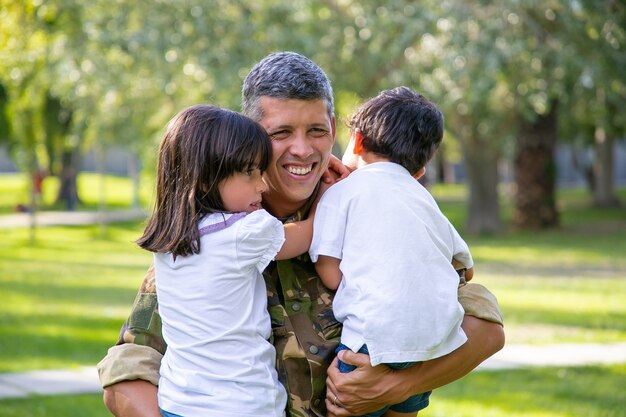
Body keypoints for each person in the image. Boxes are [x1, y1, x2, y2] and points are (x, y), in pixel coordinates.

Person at [97, 51, 504, 417]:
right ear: (249, 138)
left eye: (316, 131)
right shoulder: (206, 241)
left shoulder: (370, 215)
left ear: (333, 129)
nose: (303, 150)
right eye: (281, 134)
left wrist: (393, 387)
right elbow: (126, 378)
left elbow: (484, 325)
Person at [137, 104, 324, 416]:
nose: (263, 185)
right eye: (250, 172)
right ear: (207, 179)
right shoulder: (245, 232)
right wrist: (327, 192)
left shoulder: (171, 240)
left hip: (178, 402)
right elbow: (309, 233)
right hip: (242, 405)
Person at [310, 86, 475, 417]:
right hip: (430, 346)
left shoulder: (342, 193)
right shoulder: (422, 197)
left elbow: (330, 273)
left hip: (370, 343)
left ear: (356, 141)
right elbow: (465, 268)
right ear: (419, 170)